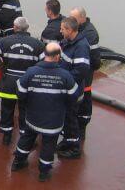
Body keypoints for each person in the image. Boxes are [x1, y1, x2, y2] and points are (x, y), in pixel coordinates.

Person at [11, 42, 81, 182]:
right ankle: (43, 173)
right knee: (49, 145)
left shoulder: (31, 72)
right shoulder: (65, 76)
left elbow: (20, 92)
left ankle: (18, 163)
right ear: (57, 57)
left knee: (26, 139)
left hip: (33, 117)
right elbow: (75, 96)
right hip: (54, 121)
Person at [0, 17, 44, 145]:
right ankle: (24, 137)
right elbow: (43, 62)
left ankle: (7, 137)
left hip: (8, 84)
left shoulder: (5, 41)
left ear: (15, 27)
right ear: (27, 28)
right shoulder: (37, 44)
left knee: (7, 110)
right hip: (27, 84)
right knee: (25, 111)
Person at [56, 16, 91, 159]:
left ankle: (74, 148)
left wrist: (64, 80)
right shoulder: (68, 42)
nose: (60, 31)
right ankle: (67, 142)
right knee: (66, 118)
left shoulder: (81, 46)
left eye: (62, 29)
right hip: (67, 89)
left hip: (73, 91)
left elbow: (81, 70)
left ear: (70, 30)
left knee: (71, 120)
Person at [69, 7, 101, 148]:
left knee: (84, 100)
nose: (72, 22)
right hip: (77, 72)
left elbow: (94, 59)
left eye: (74, 19)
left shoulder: (90, 34)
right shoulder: (80, 29)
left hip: (84, 74)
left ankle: (81, 130)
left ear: (82, 18)